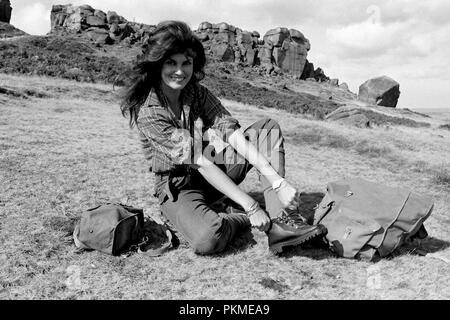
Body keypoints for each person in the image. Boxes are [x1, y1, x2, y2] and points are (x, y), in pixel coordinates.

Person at [119, 20, 327, 255]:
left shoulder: (196, 92)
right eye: (171, 63)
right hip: (178, 185)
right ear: (158, 64)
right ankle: (235, 217)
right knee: (208, 238)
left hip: (210, 167)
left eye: (186, 63)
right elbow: (199, 161)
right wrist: (251, 208)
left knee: (266, 131)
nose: (180, 71)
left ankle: (283, 223)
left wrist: (277, 181)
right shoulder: (150, 111)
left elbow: (232, 133)